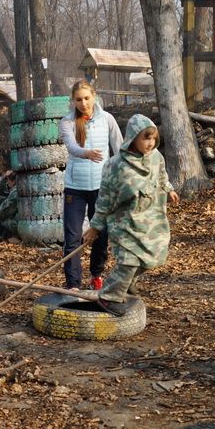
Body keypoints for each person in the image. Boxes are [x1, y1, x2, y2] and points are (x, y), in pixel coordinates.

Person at [82, 114, 180, 309]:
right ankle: (109, 296)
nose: (150, 143)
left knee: (151, 257)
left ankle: (127, 284)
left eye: (153, 138)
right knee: (129, 261)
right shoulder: (116, 165)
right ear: (133, 137)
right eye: (146, 138)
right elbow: (105, 198)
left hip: (150, 220)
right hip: (124, 222)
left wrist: (168, 189)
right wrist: (95, 226)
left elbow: (161, 175)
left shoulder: (156, 157)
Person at [59, 80, 123, 291]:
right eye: (79, 99)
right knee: (72, 237)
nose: (83, 103)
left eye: (87, 98)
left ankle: (97, 275)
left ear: (94, 96)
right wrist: (86, 153)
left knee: (101, 235)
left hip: (102, 187)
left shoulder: (107, 119)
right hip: (75, 187)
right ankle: (73, 284)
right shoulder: (67, 121)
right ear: (73, 100)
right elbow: (71, 147)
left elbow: (120, 148)